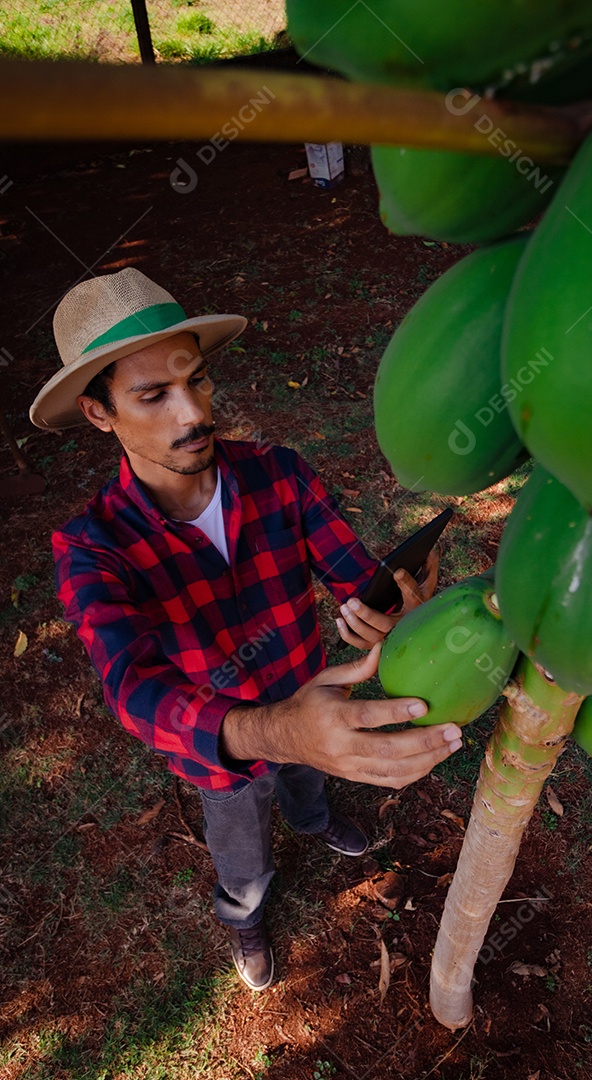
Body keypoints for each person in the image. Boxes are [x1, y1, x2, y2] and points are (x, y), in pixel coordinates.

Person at [30, 268, 463, 992]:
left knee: (308, 784)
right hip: (218, 755)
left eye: (197, 381)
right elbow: (133, 689)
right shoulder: (91, 547)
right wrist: (273, 731)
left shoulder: (278, 474)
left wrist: (402, 603)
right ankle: (244, 914)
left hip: (310, 694)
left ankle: (313, 820)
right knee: (242, 855)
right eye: (153, 395)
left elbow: (354, 573)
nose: (193, 412)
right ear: (98, 412)